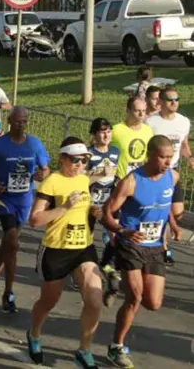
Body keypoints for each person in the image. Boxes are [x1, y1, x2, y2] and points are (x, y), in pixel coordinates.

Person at [101, 135, 180, 369]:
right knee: (134, 297)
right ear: (150, 154)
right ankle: (116, 346)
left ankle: (115, 280)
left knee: (153, 303)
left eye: (170, 157)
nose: (167, 162)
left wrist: (173, 226)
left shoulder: (173, 177)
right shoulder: (131, 181)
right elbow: (107, 214)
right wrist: (123, 231)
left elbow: (164, 209)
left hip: (155, 247)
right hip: (131, 245)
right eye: (163, 157)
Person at [27, 137, 103, 369]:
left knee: (95, 299)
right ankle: (34, 334)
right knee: (49, 301)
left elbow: (84, 207)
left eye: (84, 160)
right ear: (62, 158)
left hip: (83, 248)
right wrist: (64, 208)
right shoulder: (52, 182)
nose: (80, 164)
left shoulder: (83, 179)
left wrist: (93, 211)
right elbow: (35, 219)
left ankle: (84, 350)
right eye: (75, 160)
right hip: (56, 249)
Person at [0, 106, 50, 312]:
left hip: (24, 199)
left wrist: (42, 175)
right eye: (17, 121)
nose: (20, 125)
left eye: (24, 121)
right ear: (9, 121)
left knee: (9, 243)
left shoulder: (34, 144)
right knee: (13, 242)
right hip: (3, 198)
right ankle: (9, 293)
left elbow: (45, 168)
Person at [145, 87, 192, 266]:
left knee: (177, 212)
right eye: (170, 99)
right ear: (161, 102)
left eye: (177, 99)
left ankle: (161, 235)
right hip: (156, 172)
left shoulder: (184, 122)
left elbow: (184, 145)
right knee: (161, 210)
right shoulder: (152, 122)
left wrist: (191, 158)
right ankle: (164, 248)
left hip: (173, 172)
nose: (174, 102)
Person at [86, 118, 120, 285]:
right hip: (90, 202)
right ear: (94, 134)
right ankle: (83, 269)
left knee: (115, 235)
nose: (106, 135)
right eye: (102, 131)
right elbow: (80, 180)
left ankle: (105, 263)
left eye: (108, 131)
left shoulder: (115, 151)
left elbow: (115, 176)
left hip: (108, 201)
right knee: (87, 238)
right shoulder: (88, 153)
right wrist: (99, 174)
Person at [111, 97, 154, 180]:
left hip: (141, 178)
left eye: (144, 111)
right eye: (137, 111)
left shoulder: (148, 130)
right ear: (128, 111)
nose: (141, 114)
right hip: (121, 179)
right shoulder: (115, 130)